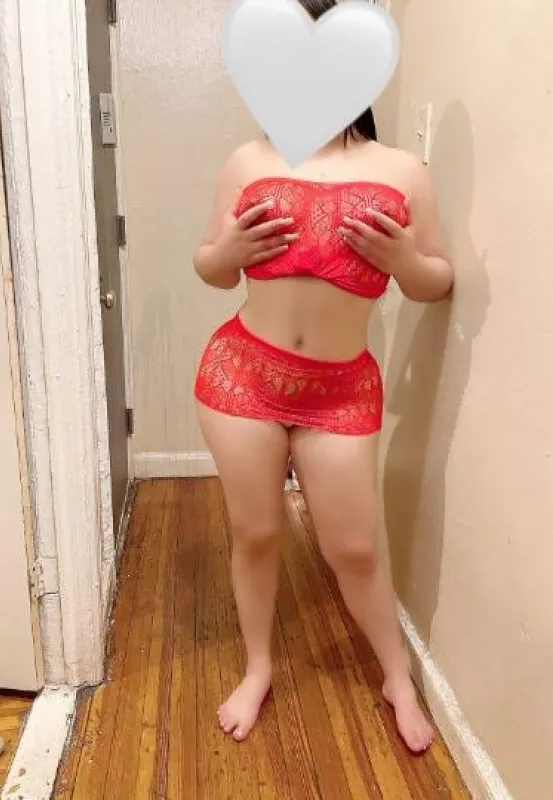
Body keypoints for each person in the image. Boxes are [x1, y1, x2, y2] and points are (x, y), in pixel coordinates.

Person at [193, 0, 453, 753]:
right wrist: (229, 251)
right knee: (255, 533)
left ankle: (397, 679)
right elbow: (210, 267)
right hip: (242, 378)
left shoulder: (401, 170)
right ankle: (258, 668)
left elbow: (437, 280)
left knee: (356, 548)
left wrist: (403, 261)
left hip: (340, 391)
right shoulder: (248, 160)